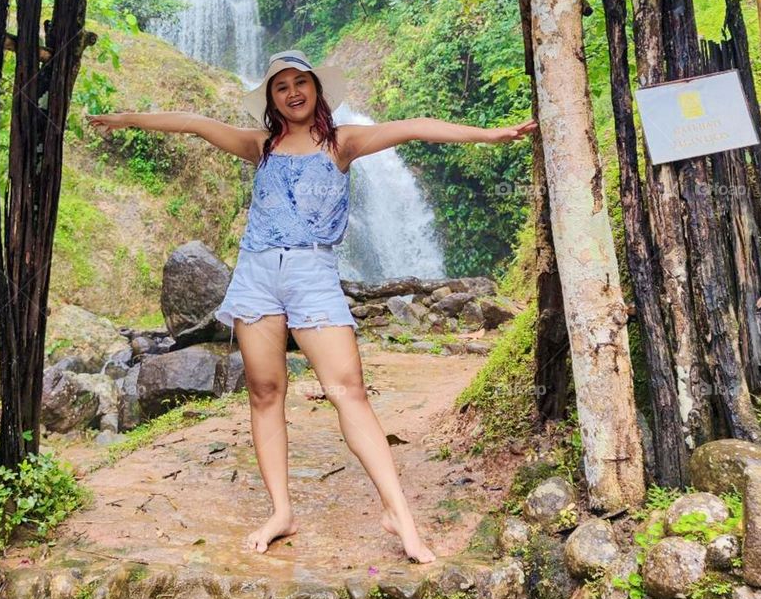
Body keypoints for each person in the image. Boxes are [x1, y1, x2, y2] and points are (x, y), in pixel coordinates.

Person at [88, 49, 537, 564]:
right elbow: (194, 124)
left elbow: (413, 127)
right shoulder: (260, 146)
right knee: (264, 391)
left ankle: (400, 516)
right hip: (257, 274)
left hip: (312, 274)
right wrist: (126, 120)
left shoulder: (341, 143)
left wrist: (489, 134)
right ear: (272, 100)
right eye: (282, 86)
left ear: (317, 90)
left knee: (348, 389)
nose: (293, 92)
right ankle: (281, 511)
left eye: (301, 82)